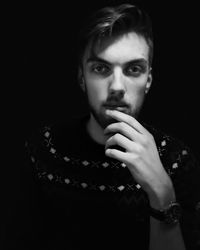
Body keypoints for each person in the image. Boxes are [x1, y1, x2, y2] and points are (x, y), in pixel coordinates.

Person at [3, 3, 200, 250]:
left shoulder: (177, 161)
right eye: (101, 68)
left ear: (148, 80)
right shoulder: (42, 151)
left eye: (134, 69)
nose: (117, 87)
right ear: (81, 78)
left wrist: (162, 192)